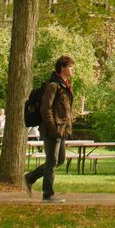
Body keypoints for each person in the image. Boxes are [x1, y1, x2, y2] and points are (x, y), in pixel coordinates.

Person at [24, 56, 76, 202]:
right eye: (71, 67)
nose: (73, 70)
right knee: (52, 160)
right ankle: (48, 194)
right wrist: (52, 127)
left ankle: (30, 177)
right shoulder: (53, 85)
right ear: (63, 68)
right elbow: (45, 108)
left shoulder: (65, 85)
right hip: (52, 129)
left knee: (59, 160)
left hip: (61, 129)